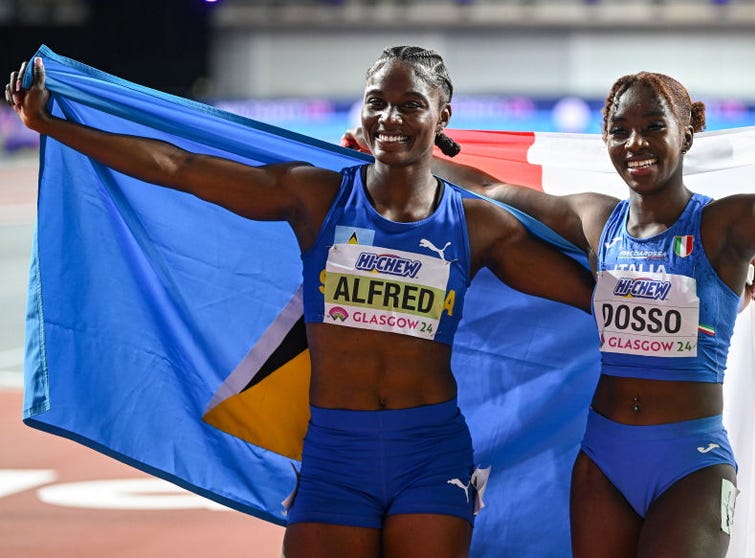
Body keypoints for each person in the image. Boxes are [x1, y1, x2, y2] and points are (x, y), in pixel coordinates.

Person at [5, 46, 599, 558]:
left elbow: (592, 303)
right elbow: (180, 168)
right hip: (336, 452)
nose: (390, 117)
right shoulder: (314, 198)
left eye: (411, 104)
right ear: (362, 111)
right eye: (376, 102)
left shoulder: (478, 224)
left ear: (441, 115)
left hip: (431, 451)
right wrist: (55, 126)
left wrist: (676, 304)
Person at [387, 72, 755, 557]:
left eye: (654, 126)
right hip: (602, 459)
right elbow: (489, 188)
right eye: (621, 130)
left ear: (685, 133)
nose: (637, 143)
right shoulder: (594, 222)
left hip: (691, 464)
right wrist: (395, 153)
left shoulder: (723, 229)